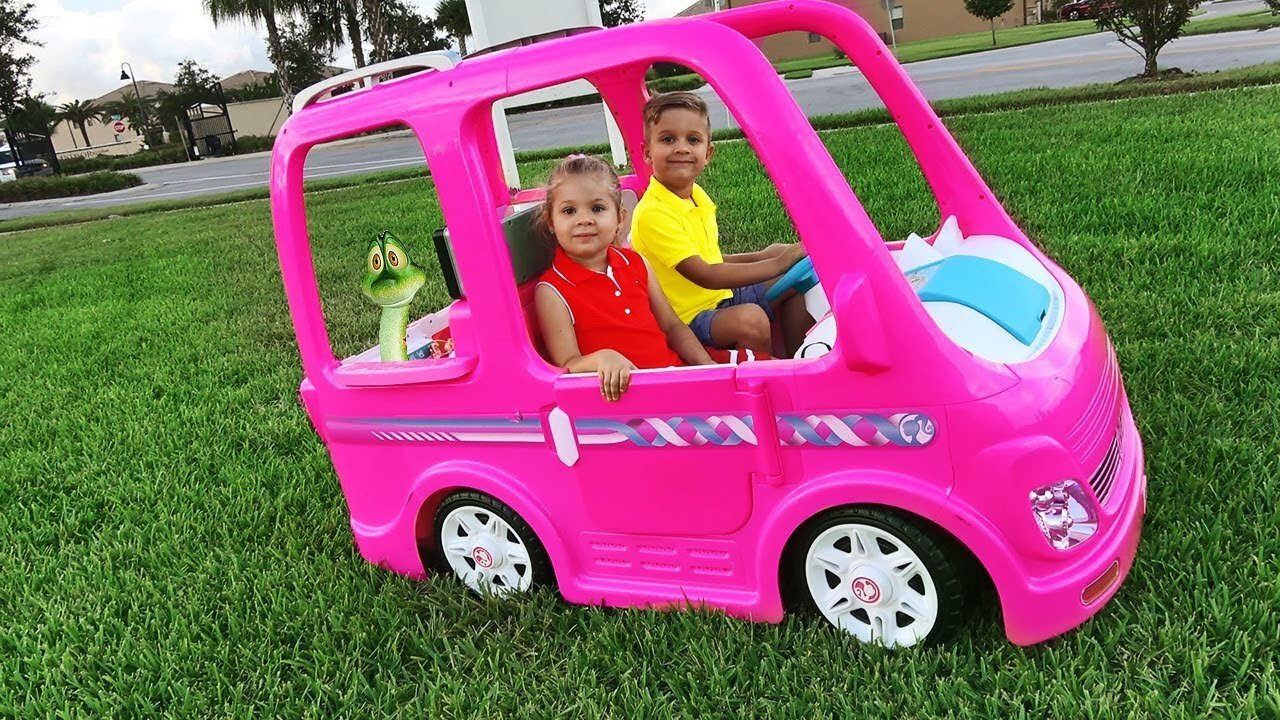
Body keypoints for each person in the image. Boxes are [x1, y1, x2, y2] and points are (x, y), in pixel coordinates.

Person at [631, 91, 813, 357]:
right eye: (668, 139)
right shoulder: (653, 213)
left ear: (708, 153)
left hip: (720, 298)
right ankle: (763, 383)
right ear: (647, 152)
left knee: (795, 279)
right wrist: (777, 262)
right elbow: (706, 273)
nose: (681, 148)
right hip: (686, 320)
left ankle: (800, 364)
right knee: (751, 319)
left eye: (693, 140)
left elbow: (713, 258)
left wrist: (764, 255)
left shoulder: (696, 195)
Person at [535, 155, 715, 402]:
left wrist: (706, 367)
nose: (584, 219)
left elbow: (672, 326)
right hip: (632, 407)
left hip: (676, 378)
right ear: (551, 222)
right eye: (569, 211)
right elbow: (567, 364)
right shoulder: (552, 289)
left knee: (760, 368)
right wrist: (603, 358)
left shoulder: (637, 263)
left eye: (597, 208)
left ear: (620, 218)